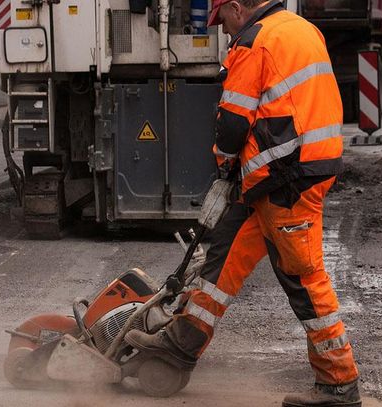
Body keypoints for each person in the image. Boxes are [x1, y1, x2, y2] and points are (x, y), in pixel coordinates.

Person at [125, 1, 360, 405]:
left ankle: (339, 383)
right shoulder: (303, 29)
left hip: (287, 180)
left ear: (237, 8)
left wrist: (223, 167)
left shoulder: (253, 43)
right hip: (284, 174)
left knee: (303, 279)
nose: (224, 30)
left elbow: (233, 124)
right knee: (222, 260)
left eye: (224, 21)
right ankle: (179, 347)